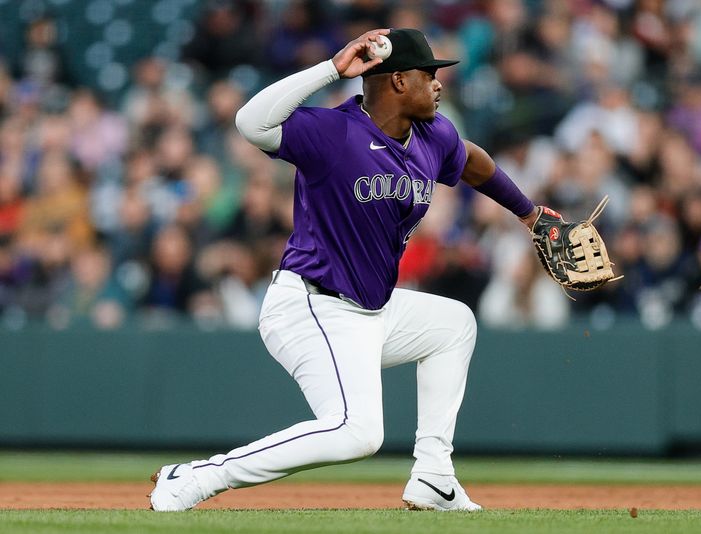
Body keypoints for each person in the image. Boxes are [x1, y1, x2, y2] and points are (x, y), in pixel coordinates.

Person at [149, 28, 539, 512]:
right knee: (357, 432)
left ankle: (434, 475)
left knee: (453, 325)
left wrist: (530, 214)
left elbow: (472, 160)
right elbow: (250, 121)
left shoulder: (431, 135)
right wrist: (331, 69)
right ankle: (198, 477)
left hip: (370, 311)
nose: (438, 84)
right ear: (397, 82)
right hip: (311, 305)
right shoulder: (333, 133)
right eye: (428, 74)